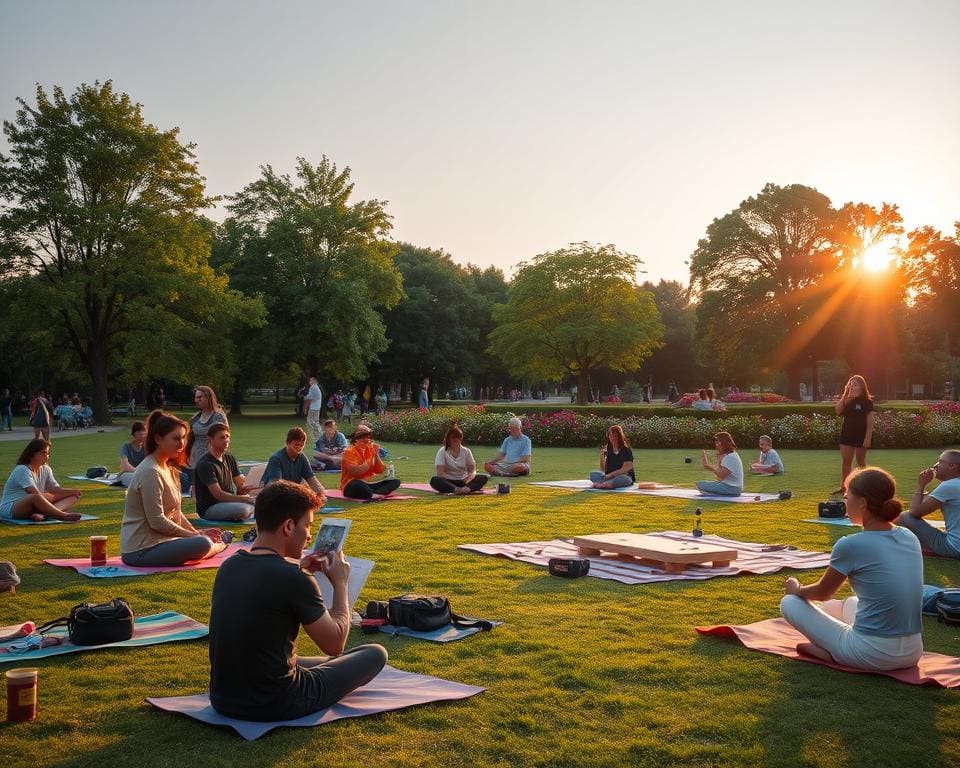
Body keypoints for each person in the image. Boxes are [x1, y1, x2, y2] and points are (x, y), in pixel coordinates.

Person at [209, 480, 387, 721]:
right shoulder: (294, 578)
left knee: (325, 661)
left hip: (224, 698)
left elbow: (267, 583)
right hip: (278, 700)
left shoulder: (229, 566)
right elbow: (335, 643)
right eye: (307, 526)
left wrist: (302, 567)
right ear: (289, 526)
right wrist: (341, 583)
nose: (309, 535)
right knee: (374, 653)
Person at [780, 467, 923, 671]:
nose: (845, 502)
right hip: (912, 652)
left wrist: (797, 589)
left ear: (863, 503)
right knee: (850, 603)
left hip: (870, 654)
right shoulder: (908, 536)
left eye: (847, 497)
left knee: (790, 602)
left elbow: (823, 592)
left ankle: (833, 653)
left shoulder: (851, 544)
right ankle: (835, 646)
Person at [120, 410, 228, 567]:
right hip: (141, 549)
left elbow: (176, 512)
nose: (182, 444)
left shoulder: (168, 467)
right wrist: (196, 535)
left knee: (201, 540)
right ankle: (218, 547)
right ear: (158, 439)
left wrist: (197, 532)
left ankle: (210, 544)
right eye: (176, 438)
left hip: (161, 542)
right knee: (202, 543)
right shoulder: (150, 471)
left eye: (184, 438)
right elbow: (157, 522)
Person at [896, 450, 960, 559]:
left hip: (954, 548)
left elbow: (915, 512)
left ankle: (922, 547)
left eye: (940, 462)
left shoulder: (949, 486)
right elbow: (925, 504)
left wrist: (921, 485)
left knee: (904, 516)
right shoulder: (954, 484)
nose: (935, 466)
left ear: (952, 466)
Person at [0, 439, 82, 522]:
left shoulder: (46, 468)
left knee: (73, 496)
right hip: (11, 509)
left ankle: (44, 514)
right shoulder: (22, 469)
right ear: (32, 453)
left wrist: (73, 492)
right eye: (44, 452)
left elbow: (54, 489)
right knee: (36, 497)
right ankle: (63, 516)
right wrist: (56, 496)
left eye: (48, 453)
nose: (47, 456)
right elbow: (35, 494)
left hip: (35, 505)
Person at [195, 424, 256, 522]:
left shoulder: (229, 458)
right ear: (210, 440)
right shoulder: (205, 464)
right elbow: (218, 495)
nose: (226, 440)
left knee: (264, 502)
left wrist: (247, 488)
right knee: (245, 509)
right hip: (211, 507)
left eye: (228, 437)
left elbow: (239, 485)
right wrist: (243, 499)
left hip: (230, 502)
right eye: (222, 437)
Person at [834, 374, 874, 494]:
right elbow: (838, 411)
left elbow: (870, 420)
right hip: (847, 434)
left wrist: (868, 437)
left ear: (862, 387)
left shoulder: (866, 401)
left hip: (861, 435)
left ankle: (863, 487)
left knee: (861, 462)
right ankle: (844, 488)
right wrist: (845, 394)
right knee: (846, 463)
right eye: (850, 383)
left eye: (855, 384)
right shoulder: (847, 400)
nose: (852, 385)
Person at [340, 423, 401, 500]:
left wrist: (376, 455)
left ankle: (373, 493)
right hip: (352, 484)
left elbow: (380, 470)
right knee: (357, 484)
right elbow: (355, 472)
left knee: (395, 482)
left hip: (369, 484)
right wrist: (371, 459)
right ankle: (373, 493)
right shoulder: (350, 451)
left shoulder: (371, 449)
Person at [262, 427, 328, 497]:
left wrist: (321, 493)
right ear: (288, 443)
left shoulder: (302, 458)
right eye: (296, 445)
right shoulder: (276, 459)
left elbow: (311, 479)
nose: (299, 448)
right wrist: (299, 489)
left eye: (302, 445)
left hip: (292, 492)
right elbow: (276, 485)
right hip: (274, 494)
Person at [430, 425, 489, 494]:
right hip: (449, 481)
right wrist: (453, 479)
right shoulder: (442, 451)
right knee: (435, 480)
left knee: (484, 477)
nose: (456, 440)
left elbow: (472, 471)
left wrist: (467, 479)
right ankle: (456, 489)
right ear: (448, 439)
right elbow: (440, 473)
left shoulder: (466, 451)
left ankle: (466, 489)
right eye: (454, 438)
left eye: (459, 437)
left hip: (463, 481)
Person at [187, 385, 229, 478]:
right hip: (195, 460)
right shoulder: (195, 418)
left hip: (212, 460)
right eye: (196, 397)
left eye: (200, 397)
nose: (197, 400)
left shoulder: (218, 416)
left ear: (209, 397)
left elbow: (224, 438)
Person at [697, 431, 743, 496]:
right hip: (731, 487)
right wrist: (719, 460)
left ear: (723, 443)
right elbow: (719, 478)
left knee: (700, 484)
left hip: (732, 488)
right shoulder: (729, 455)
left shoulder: (731, 457)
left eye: (717, 443)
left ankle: (714, 492)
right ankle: (715, 492)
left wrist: (709, 467)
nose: (716, 445)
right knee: (702, 484)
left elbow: (722, 475)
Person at [590, 425, 635, 489]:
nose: (612, 438)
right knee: (593, 474)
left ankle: (605, 484)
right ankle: (604, 483)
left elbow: (626, 469)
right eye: (610, 435)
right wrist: (602, 457)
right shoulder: (607, 450)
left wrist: (610, 475)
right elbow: (604, 470)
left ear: (619, 437)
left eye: (615, 436)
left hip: (624, 476)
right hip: (609, 477)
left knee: (622, 479)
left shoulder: (626, 450)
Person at [118, 421, 147, 487]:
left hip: (142, 474)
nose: (142, 434)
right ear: (134, 434)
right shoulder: (126, 447)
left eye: (143, 431)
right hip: (128, 474)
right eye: (139, 431)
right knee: (138, 479)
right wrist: (139, 472)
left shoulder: (146, 448)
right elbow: (125, 466)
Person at [303, 376, 323, 446]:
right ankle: (317, 437)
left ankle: (319, 436)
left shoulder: (313, 387)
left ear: (314, 381)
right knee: (314, 422)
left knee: (311, 422)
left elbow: (309, 397)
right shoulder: (316, 387)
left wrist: (304, 397)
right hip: (316, 407)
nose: (310, 382)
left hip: (314, 407)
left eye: (311, 380)